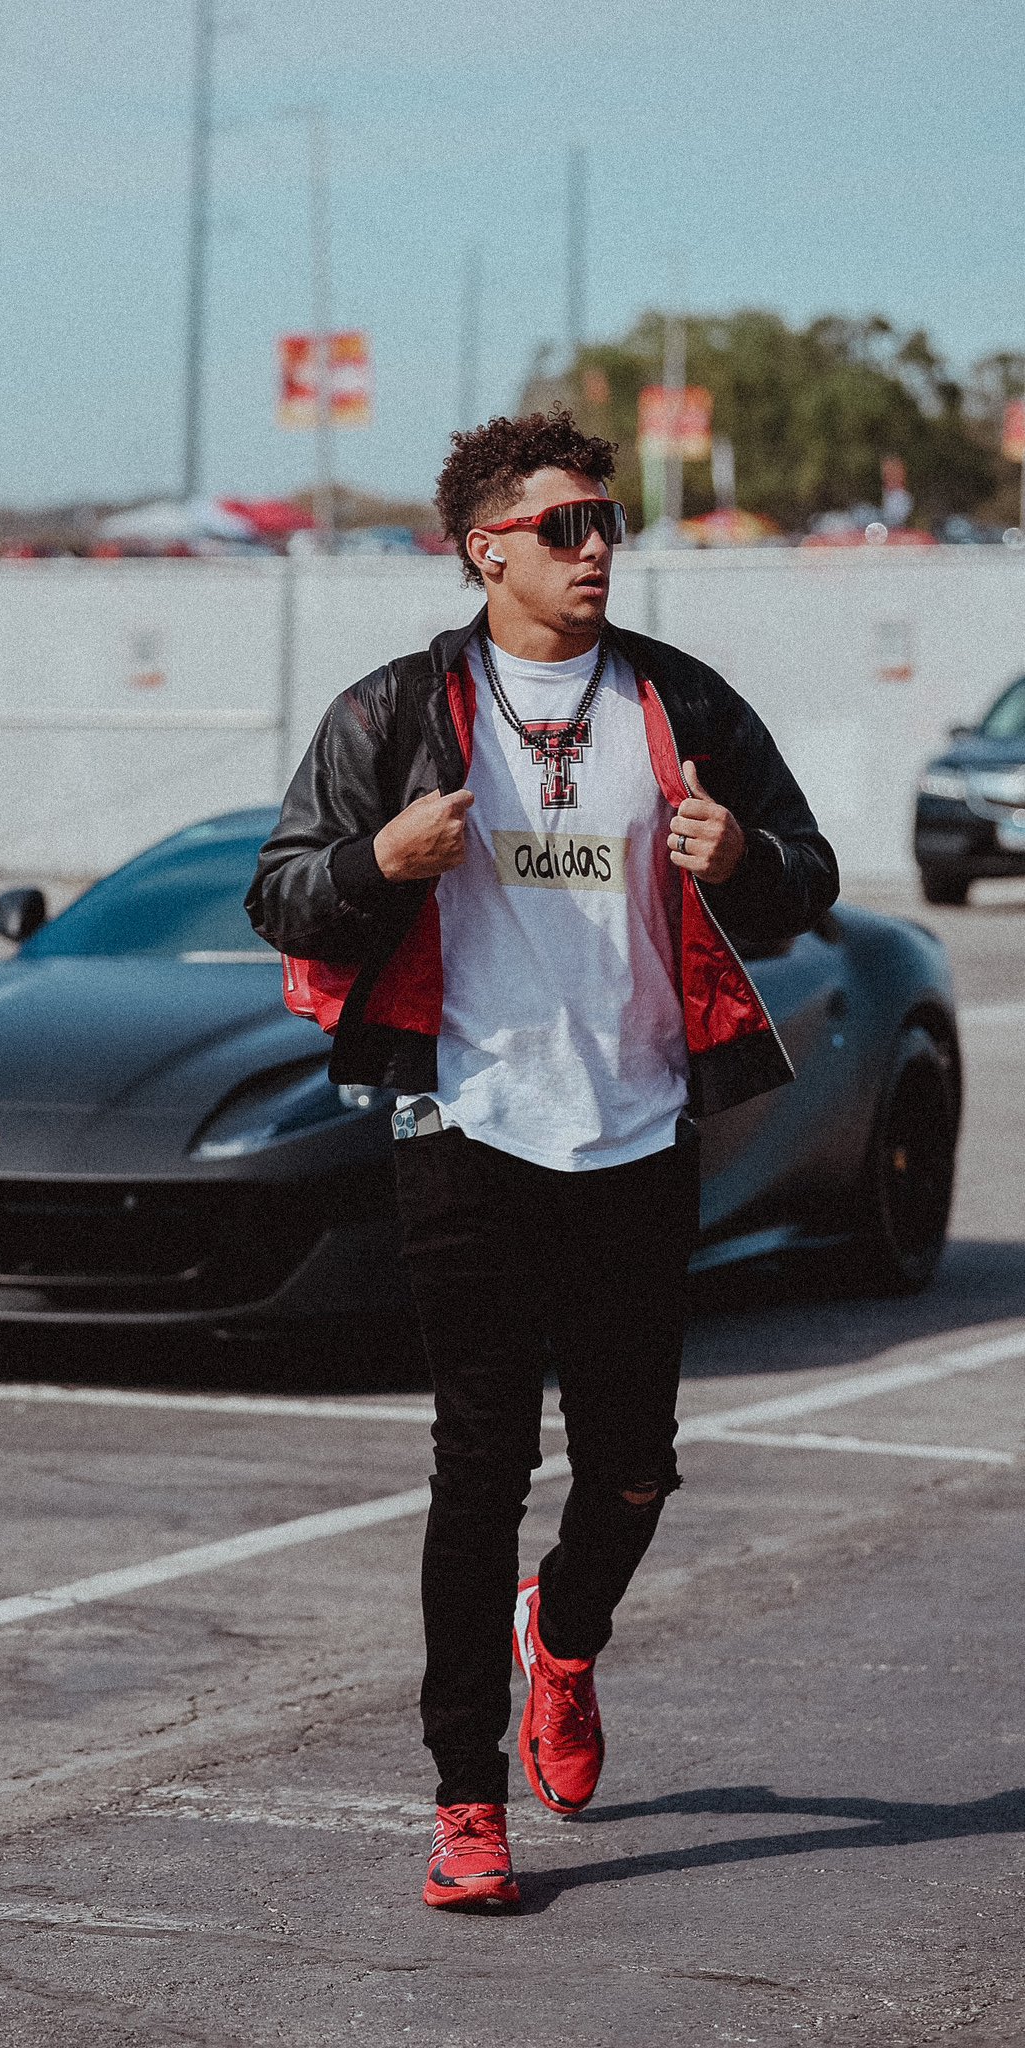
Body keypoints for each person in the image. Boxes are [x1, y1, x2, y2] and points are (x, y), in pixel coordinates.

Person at [246, 409, 838, 1912]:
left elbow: (805, 877)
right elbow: (281, 896)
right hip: (466, 1121)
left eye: (607, 523)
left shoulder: (679, 701)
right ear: (484, 547)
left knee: (633, 1467)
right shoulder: (393, 713)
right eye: (566, 525)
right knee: (477, 1466)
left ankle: (560, 1644)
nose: (596, 550)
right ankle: (464, 1800)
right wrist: (374, 864)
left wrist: (746, 865)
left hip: (637, 1125)